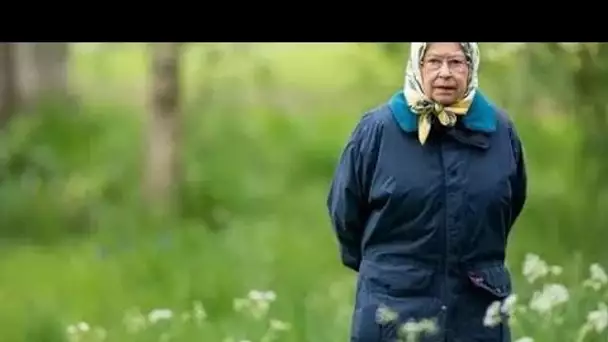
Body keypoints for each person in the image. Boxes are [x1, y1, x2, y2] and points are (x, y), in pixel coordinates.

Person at [326, 42, 527, 342]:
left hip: (479, 311)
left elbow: (510, 204)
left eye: (456, 62)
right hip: (394, 311)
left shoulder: (499, 130)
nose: (445, 73)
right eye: (434, 61)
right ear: (417, 65)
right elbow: (345, 213)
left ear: (471, 66)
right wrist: (388, 271)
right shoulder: (378, 130)